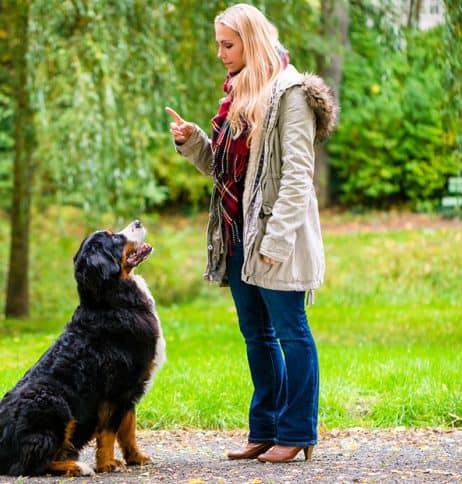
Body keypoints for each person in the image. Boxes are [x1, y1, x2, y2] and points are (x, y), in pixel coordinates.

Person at [166, 4, 338, 463]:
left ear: (252, 40)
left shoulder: (291, 93)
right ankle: (265, 428)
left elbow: (299, 176)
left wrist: (276, 242)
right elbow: (226, 171)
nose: (220, 53)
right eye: (218, 44)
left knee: (291, 331)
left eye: (228, 44)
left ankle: (299, 431)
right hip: (237, 232)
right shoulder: (237, 94)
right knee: (256, 335)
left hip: (275, 237)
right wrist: (193, 142)